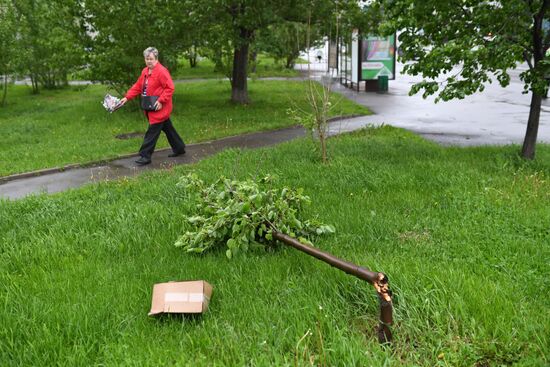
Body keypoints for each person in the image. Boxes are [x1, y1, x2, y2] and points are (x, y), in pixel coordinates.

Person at [119, 47, 186, 165]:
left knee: (152, 132)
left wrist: (161, 101)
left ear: (156, 59)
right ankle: (179, 148)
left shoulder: (161, 71)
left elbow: (170, 88)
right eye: (146, 59)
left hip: (159, 107)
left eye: (151, 59)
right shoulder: (145, 71)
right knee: (168, 128)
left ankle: (145, 156)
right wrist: (127, 97)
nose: (149, 61)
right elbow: (138, 86)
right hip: (150, 106)